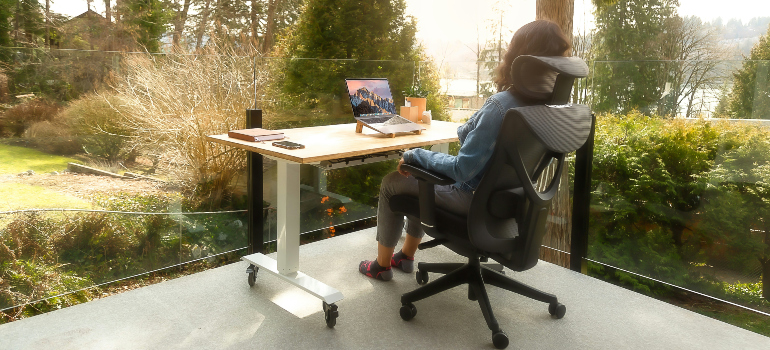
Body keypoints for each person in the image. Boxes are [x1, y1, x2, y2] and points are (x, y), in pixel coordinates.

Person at [359, 20, 572, 281]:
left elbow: (462, 169)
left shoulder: (502, 107)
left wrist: (415, 154)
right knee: (420, 175)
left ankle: (381, 266)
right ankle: (406, 255)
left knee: (393, 182)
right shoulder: (550, 107)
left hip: (471, 198)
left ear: (518, 58)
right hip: (507, 202)